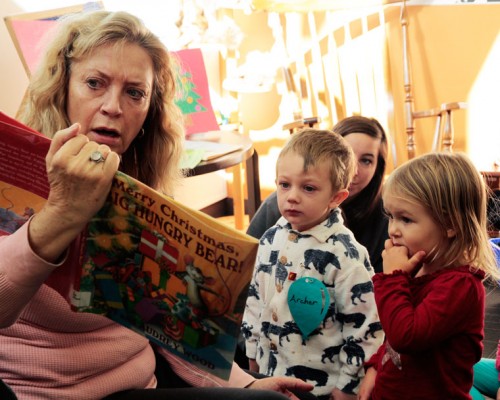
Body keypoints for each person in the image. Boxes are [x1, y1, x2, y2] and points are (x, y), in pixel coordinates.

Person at [0, 10, 314, 400]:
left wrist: (246, 383)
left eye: (135, 93)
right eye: (95, 83)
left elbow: (170, 322)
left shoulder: (140, 185)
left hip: (140, 382)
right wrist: (62, 214)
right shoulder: (9, 173)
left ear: (149, 111)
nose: (113, 106)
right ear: (62, 89)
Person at [242, 129, 383, 400]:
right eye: (284, 185)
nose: (292, 196)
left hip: (320, 388)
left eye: (308, 188)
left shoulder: (346, 255)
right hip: (269, 377)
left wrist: (347, 388)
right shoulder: (270, 238)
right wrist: (252, 355)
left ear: (336, 197)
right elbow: (255, 300)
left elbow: (365, 328)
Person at [358, 152, 500, 400]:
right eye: (391, 216)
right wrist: (375, 366)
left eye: (406, 219)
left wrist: (392, 277)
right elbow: (391, 334)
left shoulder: (461, 286)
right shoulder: (416, 270)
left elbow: (406, 336)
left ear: (450, 224)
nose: (393, 230)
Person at [247, 116, 389, 273]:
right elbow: (246, 263)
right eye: (346, 158)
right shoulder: (278, 205)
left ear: (378, 168)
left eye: (366, 161)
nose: (353, 171)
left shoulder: (386, 214)